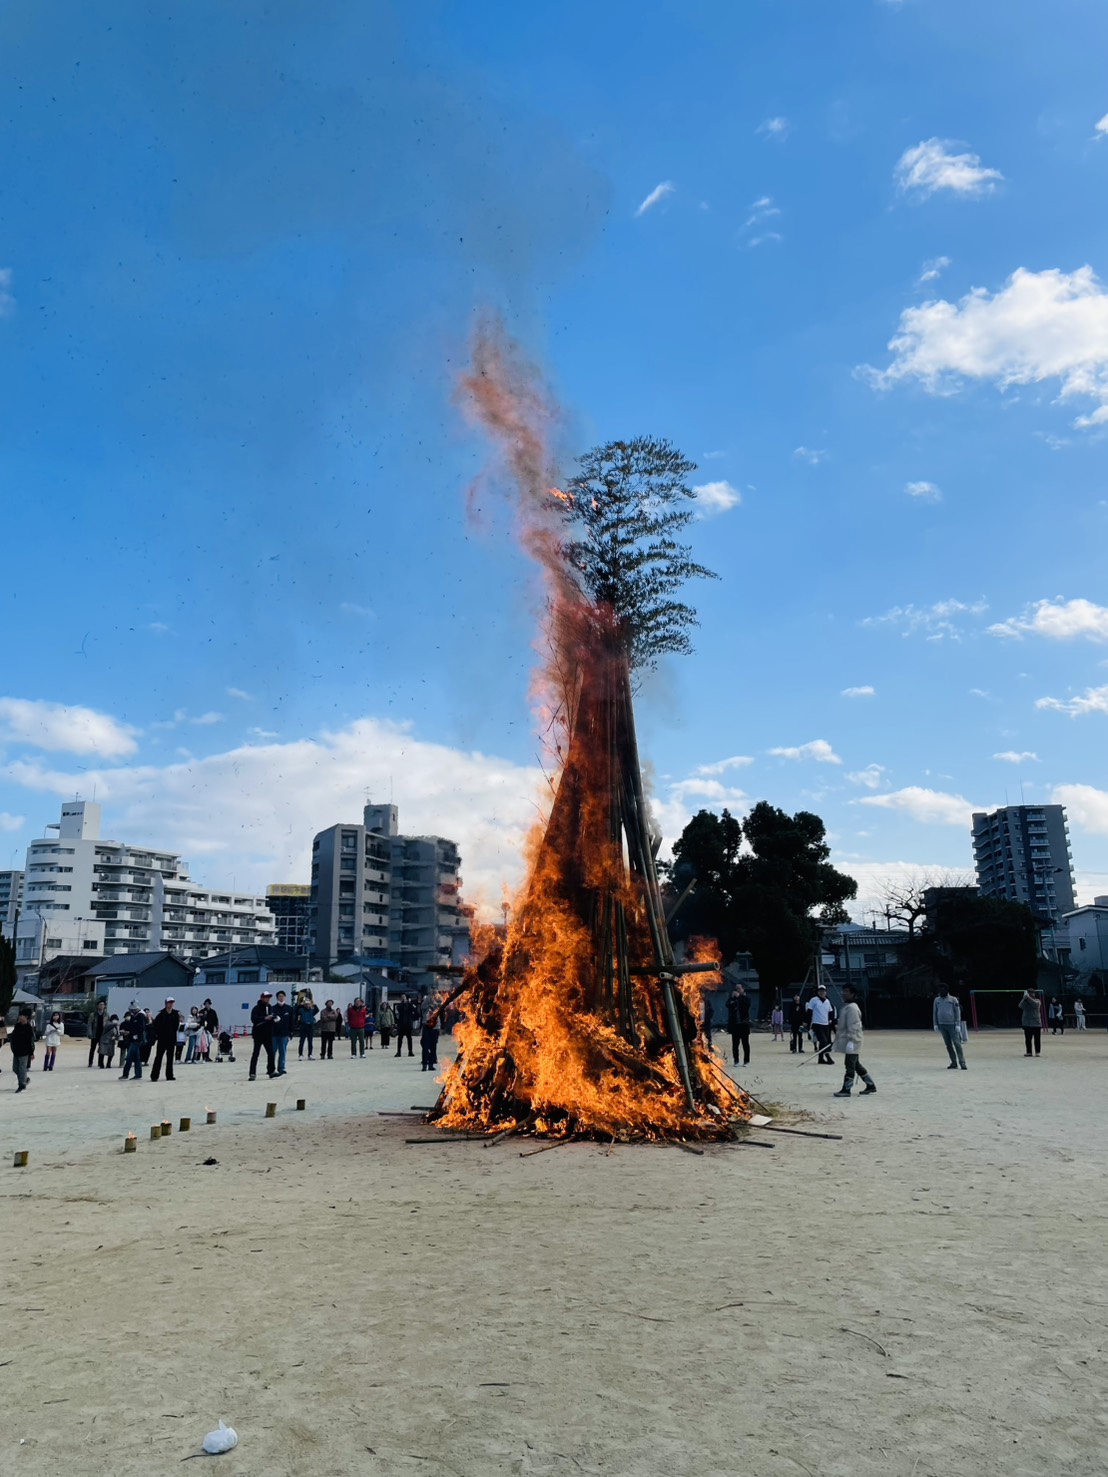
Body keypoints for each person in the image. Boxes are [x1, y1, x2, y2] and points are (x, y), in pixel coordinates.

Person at [832, 984, 876, 1098]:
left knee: (850, 1065)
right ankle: (870, 1085)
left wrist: (852, 1041)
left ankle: (846, 1089)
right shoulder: (847, 1007)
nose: (843, 993)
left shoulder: (852, 1008)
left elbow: (854, 1026)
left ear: (852, 994)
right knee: (856, 1065)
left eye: (846, 991)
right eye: (843, 991)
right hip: (849, 1040)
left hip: (853, 1040)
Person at [932, 985, 967, 1070]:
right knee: (948, 1045)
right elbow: (935, 1012)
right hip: (942, 1025)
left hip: (952, 1025)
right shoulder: (937, 1000)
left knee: (957, 1043)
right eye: (939, 990)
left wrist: (958, 1024)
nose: (941, 992)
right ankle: (953, 1062)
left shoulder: (953, 999)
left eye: (942, 990)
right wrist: (935, 1024)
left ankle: (962, 1062)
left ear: (947, 990)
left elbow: (957, 1011)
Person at [150, 998, 181, 1082]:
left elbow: (176, 1026)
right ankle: (154, 1076)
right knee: (158, 1057)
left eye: (172, 1003)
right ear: (166, 1003)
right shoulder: (161, 1015)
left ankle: (169, 1075)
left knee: (170, 1058)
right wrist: (158, 1035)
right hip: (162, 1040)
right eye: (169, 1003)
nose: (171, 1004)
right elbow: (155, 1027)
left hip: (171, 1039)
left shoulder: (175, 1014)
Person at [249, 990, 277, 1080]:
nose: (268, 999)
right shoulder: (256, 1008)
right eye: (266, 997)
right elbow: (253, 1019)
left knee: (271, 1053)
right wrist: (264, 1018)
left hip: (268, 1034)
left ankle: (271, 1071)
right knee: (255, 1054)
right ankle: (252, 1073)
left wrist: (274, 1019)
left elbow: (272, 1018)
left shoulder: (270, 1007)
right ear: (262, 998)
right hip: (258, 1034)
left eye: (269, 997)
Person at [807, 984, 836, 1065]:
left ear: (825, 992)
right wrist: (807, 1022)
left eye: (823, 991)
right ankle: (828, 1057)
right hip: (817, 1024)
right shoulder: (813, 1000)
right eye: (820, 991)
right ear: (818, 992)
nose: (822, 992)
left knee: (823, 1042)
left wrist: (831, 1021)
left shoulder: (827, 1001)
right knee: (824, 1041)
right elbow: (809, 1012)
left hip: (826, 1024)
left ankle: (820, 1058)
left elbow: (831, 1012)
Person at [9, 1009, 35, 1091]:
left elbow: (29, 1042)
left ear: (26, 1017)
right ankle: (25, 1079)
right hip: (16, 1051)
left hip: (24, 1052)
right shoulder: (17, 1026)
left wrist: (31, 1053)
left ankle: (22, 1085)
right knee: (15, 1068)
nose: (19, 1017)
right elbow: (13, 1037)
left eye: (21, 1016)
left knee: (22, 1068)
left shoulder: (28, 1028)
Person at [726, 985, 751, 1067]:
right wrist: (732, 998)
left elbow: (747, 1005)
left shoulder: (746, 998)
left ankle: (746, 1061)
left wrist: (739, 997)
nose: (738, 990)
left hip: (744, 1024)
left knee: (745, 1044)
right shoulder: (733, 999)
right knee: (735, 1044)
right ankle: (736, 1060)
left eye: (739, 988)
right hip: (735, 1025)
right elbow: (727, 1005)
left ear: (743, 989)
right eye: (736, 989)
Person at [119, 1008, 146, 1080]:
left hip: (137, 1040)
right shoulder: (133, 1017)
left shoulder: (140, 1016)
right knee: (137, 1058)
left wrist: (130, 1032)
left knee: (129, 1057)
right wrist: (127, 1032)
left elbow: (141, 1028)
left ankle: (125, 1074)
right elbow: (132, 1027)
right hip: (132, 1039)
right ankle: (138, 1074)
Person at [270, 989, 293, 1075]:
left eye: (282, 996)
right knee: (272, 1052)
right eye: (279, 996)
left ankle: (281, 1067)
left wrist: (291, 1032)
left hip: (284, 1034)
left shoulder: (289, 1009)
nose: (281, 998)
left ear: (285, 997)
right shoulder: (272, 1008)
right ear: (277, 998)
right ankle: (271, 1068)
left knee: (283, 1052)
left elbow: (291, 1021)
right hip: (274, 1034)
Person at [1020, 988, 1043, 1057]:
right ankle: (1029, 1052)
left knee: (1037, 1039)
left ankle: (1037, 1052)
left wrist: (1028, 998)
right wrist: (1024, 999)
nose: (1030, 994)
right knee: (1028, 1039)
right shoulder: (1025, 1001)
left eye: (1032, 993)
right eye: (1029, 993)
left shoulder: (1037, 1000)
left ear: (1034, 994)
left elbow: (1035, 1005)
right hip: (1027, 1023)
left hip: (1036, 1023)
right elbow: (1020, 1006)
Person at [295, 992, 319, 1059]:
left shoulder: (312, 1010)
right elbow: (296, 1010)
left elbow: (317, 1010)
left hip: (310, 1026)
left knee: (310, 1041)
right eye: (306, 1004)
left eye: (308, 1004)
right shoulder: (301, 1010)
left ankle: (310, 1054)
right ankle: (300, 1055)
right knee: (302, 1041)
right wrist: (300, 1005)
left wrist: (313, 1004)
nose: (307, 1005)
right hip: (303, 1026)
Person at [87, 998, 108, 1068]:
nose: (102, 1006)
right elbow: (89, 1024)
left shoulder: (106, 1014)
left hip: (103, 1034)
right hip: (95, 1033)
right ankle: (90, 1062)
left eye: (103, 1005)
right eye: (100, 1004)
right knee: (92, 1048)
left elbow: (109, 1024)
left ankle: (100, 1063)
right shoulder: (93, 1014)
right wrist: (89, 1033)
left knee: (102, 1049)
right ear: (97, 1006)